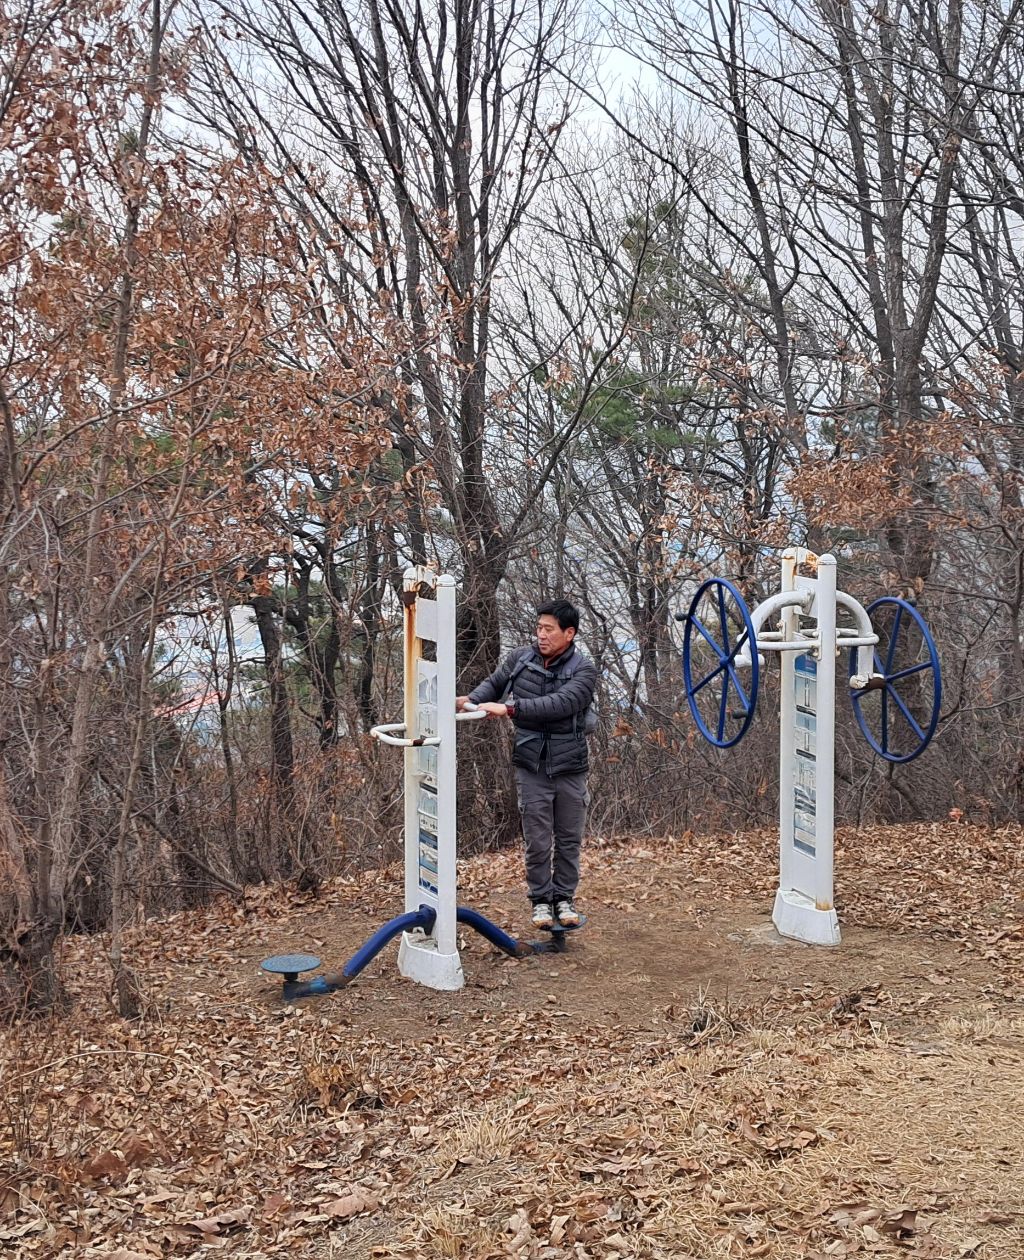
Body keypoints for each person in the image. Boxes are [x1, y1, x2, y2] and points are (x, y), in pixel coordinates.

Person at [457, 599, 598, 930]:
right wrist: (472, 701)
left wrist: (509, 709)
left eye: (549, 629)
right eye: (539, 628)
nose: (541, 635)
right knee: (537, 840)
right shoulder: (520, 658)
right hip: (530, 764)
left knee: (568, 839)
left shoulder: (584, 670)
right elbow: (495, 683)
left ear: (569, 633)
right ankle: (540, 901)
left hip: (570, 766)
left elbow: (561, 703)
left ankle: (564, 899)